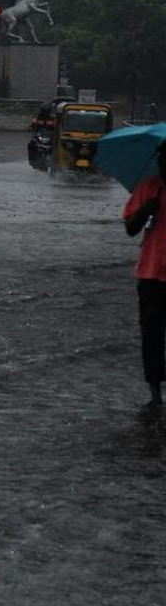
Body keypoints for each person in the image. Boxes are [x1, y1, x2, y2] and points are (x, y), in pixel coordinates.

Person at [124, 142, 166, 418]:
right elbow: (130, 228)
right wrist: (145, 211)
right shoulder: (150, 188)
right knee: (151, 334)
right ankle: (155, 391)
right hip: (152, 272)